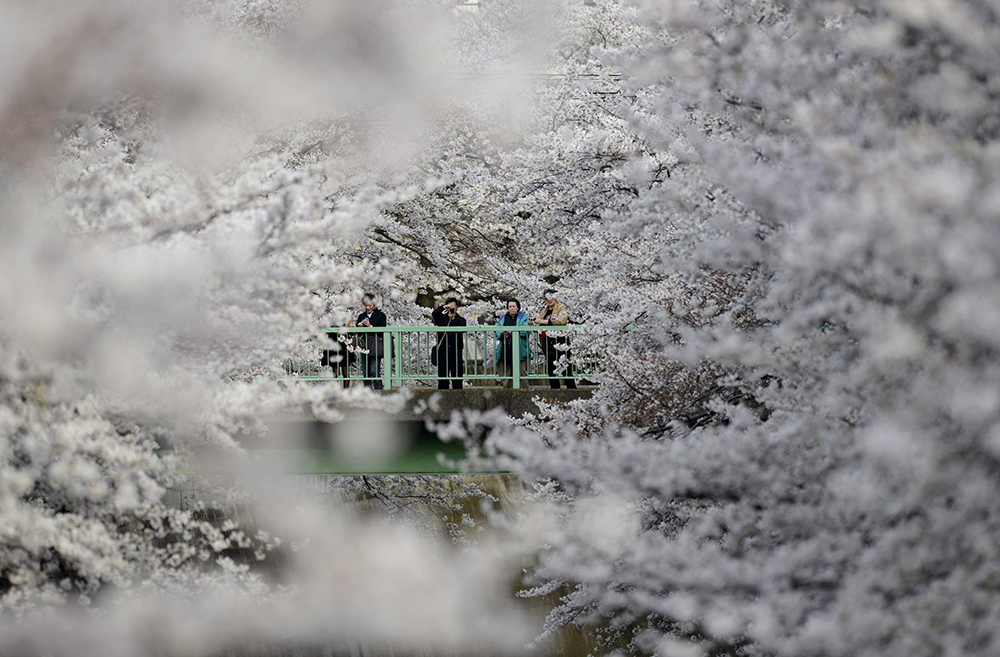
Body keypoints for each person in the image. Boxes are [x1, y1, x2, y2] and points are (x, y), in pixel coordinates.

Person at [532, 289, 577, 389]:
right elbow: (540, 321)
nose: (549, 300)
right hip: (548, 342)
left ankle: (572, 391)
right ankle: (554, 391)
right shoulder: (545, 310)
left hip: (560, 341)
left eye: (551, 297)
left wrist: (545, 322)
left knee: (565, 368)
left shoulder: (561, 307)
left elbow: (562, 321)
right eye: (547, 298)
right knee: (551, 369)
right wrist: (535, 323)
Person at [431, 297, 467, 390]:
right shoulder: (441, 318)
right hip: (443, 350)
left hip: (456, 351)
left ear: (457, 308)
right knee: (443, 376)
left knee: (457, 376)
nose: (451, 309)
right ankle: (443, 394)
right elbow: (434, 314)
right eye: (449, 307)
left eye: (453, 307)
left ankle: (458, 395)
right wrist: (443, 307)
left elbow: (463, 328)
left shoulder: (461, 320)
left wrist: (454, 319)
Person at [495, 298, 530, 389]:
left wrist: (514, 331)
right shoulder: (503, 318)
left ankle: (524, 392)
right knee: (507, 373)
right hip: (506, 349)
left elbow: (526, 331)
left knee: (522, 372)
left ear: (518, 307)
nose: (512, 308)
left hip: (520, 349)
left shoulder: (523, 318)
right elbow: (497, 331)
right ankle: (507, 393)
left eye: (514, 306)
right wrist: (504, 333)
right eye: (510, 306)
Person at [355, 294, 387, 389]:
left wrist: (369, 326)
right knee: (366, 371)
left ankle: (379, 391)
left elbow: (382, 330)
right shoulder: (361, 316)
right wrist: (359, 327)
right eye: (365, 305)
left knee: (374, 370)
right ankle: (367, 392)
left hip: (376, 345)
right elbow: (358, 334)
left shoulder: (381, 315)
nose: (368, 307)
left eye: (370, 305)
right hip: (364, 345)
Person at [320, 319, 356, 389]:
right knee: (335, 373)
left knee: (345, 371)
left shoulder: (346, 319)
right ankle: (336, 390)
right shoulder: (330, 319)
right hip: (333, 348)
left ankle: (345, 390)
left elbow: (351, 333)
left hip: (344, 348)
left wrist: (350, 327)